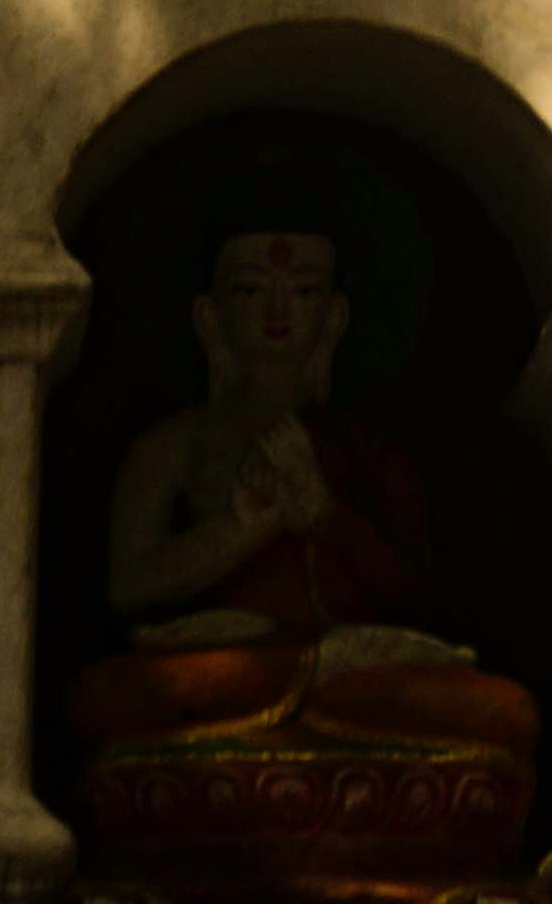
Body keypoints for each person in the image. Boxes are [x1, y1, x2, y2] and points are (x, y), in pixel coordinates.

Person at [103, 220, 449, 656]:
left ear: (335, 315)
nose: (278, 310)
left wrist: (324, 512)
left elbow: (418, 594)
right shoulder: (173, 444)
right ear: (210, 316)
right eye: (250, 290)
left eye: (304, 291)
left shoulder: (370, 447)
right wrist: (245, 526)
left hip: (347, 672)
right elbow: (128, 586)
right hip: (217, 666)